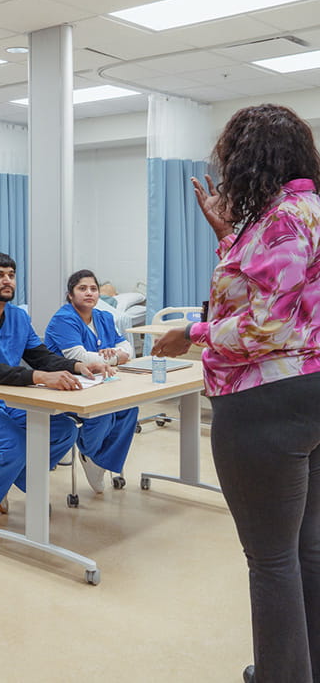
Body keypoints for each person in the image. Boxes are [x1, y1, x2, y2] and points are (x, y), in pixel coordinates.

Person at [151, 104, 320, 683]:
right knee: (308, 550)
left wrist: (194, 332)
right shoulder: (312, 210)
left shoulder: (279, 219)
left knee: (270, 560)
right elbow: (280, 299)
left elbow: (262, 327)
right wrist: (228, 235)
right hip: (312, 394)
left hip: (265, 402)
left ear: (251, 159)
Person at [0, 253, 107, 522]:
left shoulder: (18, 316)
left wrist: (76, 366)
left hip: (5, 399)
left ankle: (3, 479)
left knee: (63, 430)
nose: (7, 280)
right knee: (11, 442)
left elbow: (39, 355)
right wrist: (40, 377)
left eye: (11, 275)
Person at [45, 269, 137, 494]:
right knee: (103, 411)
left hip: (100, 382)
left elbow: (128, 348)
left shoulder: (104, 317)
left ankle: (98, 459)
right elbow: (80, 356)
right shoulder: (63, 319)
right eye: (82, 288)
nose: (89, 293)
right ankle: (90, 452)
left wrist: (115, 354)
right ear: (70, 294)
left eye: (93, 289)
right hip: (69, 385)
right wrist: (117, 356)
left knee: (130, 408)